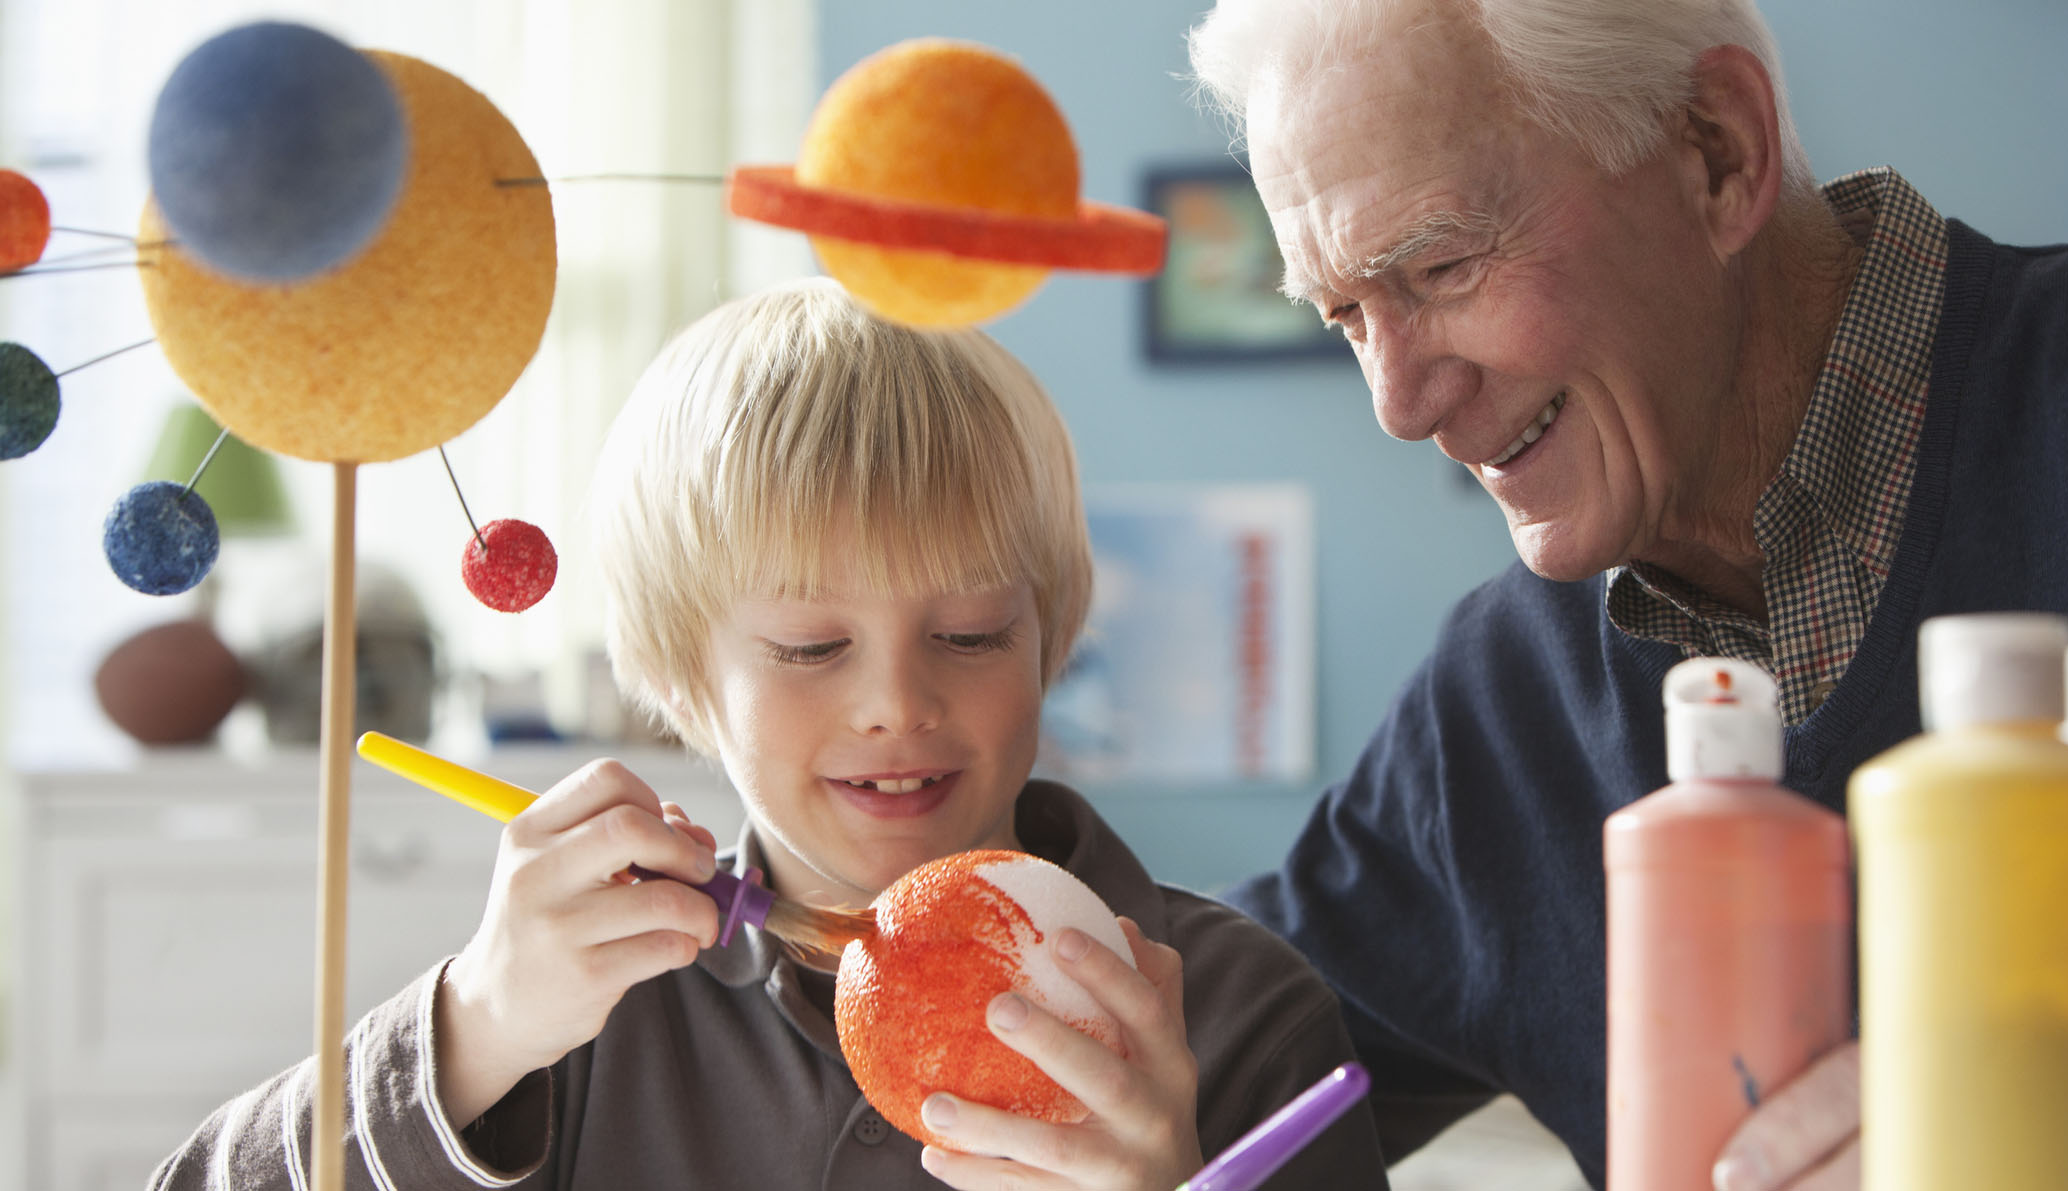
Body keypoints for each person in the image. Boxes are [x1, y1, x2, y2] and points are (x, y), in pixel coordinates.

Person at [146, 278, 1388, 1191]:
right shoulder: (587, 1010)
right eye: (808, 648)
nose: (896, 704)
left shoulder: (1234, 1017)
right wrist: (471, 1033)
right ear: (685, 678)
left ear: (1050, 637)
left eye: (966, 634)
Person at [1186, 0, 2068, 1189]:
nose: (1398, 405)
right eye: (1344, 315)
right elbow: (1197, 1050)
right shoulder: (1500, 714)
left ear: (1714, 153)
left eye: (1439, 265)